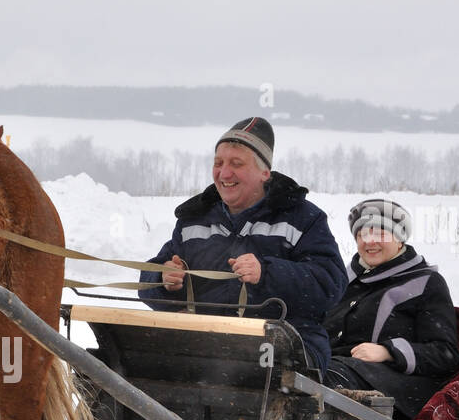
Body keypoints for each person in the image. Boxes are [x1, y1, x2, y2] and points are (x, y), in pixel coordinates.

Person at [138, 117, 347, 374]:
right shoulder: (195, 219)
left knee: (244, 371)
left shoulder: (303, 218)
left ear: (264, 173)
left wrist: (267, 274)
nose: (224, 173)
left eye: (236, 164)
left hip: (286, 347)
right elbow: (147, 284)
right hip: (204, 346)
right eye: (218, 163)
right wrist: (163, 279)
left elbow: (331, 284)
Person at [322, 198, 459, 420]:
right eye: (362, 235)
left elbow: (444, 355)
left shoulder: (426, 282)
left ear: (399, 239)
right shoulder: (344, 280)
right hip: (338, 369)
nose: (370, 242)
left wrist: (387, 352)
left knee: (319, 379)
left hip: (394, 388)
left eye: (380, 234)